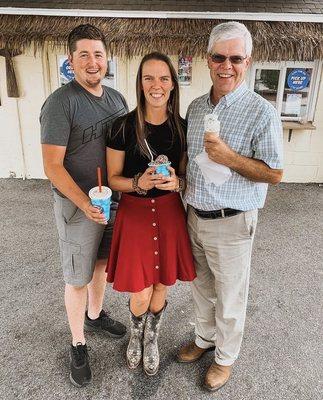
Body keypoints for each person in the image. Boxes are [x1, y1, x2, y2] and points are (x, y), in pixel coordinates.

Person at [177, 21, 283, 391]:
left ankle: (225, 358)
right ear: (208, 60)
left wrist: (228, 156)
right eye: (219, 57)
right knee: (201, 288)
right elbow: (190, 161)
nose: (227, 65)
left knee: (231, 296)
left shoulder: (261, 112)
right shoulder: (194, 107)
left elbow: (274, 173)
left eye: (235, 58)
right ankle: (205, 339)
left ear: (247, 61)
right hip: (194, 216)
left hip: (233, 222)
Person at [40, 24, 128, 387]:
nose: (92, 62)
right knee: (77, 276)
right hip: (78, 206)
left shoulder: (117, 99)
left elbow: (125, 148)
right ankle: (78, 341)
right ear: (71, 61)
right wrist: (84, 202)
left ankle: (95, 315)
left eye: (98, 54)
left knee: (102, 264)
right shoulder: (61, 103)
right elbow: (52, 166)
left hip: (113, 200)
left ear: (106, 59)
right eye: (83, 55)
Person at [106, 52, 196, 376]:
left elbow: (185, 178)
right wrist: (138, 182)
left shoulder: (182, 129)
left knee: (161, 286)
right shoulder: (122, 127)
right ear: (140, 83)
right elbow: (114, 179)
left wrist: (177, 182)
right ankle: (135, 333)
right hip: (136, 214)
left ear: (172, 83)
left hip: (170, 214)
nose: (155, 85)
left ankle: (152, 336)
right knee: (141, 290)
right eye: (148, 78)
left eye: (163, 78)